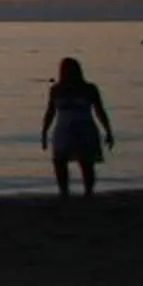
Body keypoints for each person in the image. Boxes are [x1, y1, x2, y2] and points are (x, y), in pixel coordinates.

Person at [40, 57, 114, 199]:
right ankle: (64, 192)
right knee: (59, 161)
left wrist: (108, 130)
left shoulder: (89, 89)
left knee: (86, 162)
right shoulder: (56, 90)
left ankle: (88, 192)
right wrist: (44, 132)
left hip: (84, 128)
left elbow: (100, 111)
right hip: (63, 129)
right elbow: (50, 112)